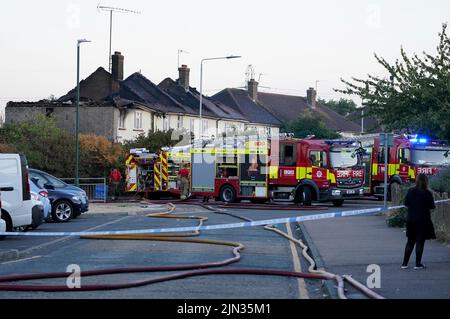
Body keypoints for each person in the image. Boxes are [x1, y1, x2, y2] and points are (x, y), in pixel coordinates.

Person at [401, 173, 436, 270]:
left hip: (411, 219)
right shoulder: (428, 193)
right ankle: (417, 264)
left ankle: (404, 264)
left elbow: (406, 204)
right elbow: (432, 207)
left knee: (410, 242)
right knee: (420, 242)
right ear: (426, 181)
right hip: (423, 220)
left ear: (416, 180)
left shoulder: (410, 191)